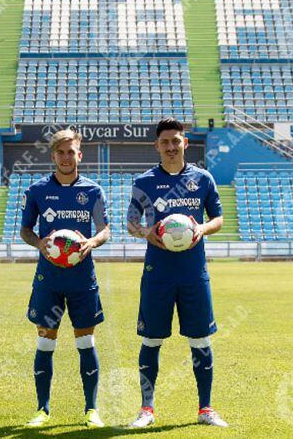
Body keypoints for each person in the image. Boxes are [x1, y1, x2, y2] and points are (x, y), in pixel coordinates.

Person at [126, 117, 228, 428]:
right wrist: (147, 233)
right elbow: (131, 222)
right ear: (157, 146)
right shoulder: (144, 182)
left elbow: (219, 219)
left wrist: (201, 228)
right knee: (152, 340)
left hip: (193, 272)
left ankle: (205, 409)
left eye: (176, 141)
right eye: (165, 142)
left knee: (200, 340)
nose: (171, 147)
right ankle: (147, 409)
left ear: (185, 143)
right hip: (158, 273)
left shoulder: (203, 179)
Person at [20, 129, 111, 428]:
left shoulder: (94, 191)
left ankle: (91, 409)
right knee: (45, 343)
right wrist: (39, 243)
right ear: (53, 155)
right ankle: (42, 410)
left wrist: (92, 243)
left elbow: (105, 230)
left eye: (71, 151)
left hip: (82, 278)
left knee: (86, 341)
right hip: (49, 278)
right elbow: (25, 230)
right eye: (61, 152)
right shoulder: (36, 190)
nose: (66, 157)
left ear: (79, 155)